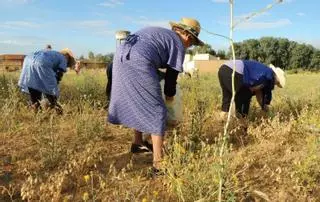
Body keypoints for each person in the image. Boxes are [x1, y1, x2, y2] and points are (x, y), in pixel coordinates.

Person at [108, 17, 204, 173]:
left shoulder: (162, 34)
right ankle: (159, 165)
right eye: (192, 43)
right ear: (187, 35)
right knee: (157, 111)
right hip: (139, 60)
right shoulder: (178, 43)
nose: (190, 46)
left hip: (120, 57)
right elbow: (172, 77)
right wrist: (170, 98)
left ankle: (138, 143)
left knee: (137, 102)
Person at [218, 60, 286, 118]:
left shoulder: (263, 71)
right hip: (235, 71)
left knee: (226, 102)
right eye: (277, 83)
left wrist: (264, 107)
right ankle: (242, 125)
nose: (275, 85)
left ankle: (219, 122)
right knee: (244, 97)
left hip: (223, 69)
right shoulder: (268, 76)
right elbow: (252, 90)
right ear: (276, 78)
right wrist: (267, 110)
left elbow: (259, 94)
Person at [18, 48, 77, 114]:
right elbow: (58, 76)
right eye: (68, 61)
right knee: (51, 89)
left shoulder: (52, 54)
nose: (67, 63)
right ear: (67, 56)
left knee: (33, 84)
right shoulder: (63, 58)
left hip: (28, 60)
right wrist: (52, 94)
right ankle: (58, 111)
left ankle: (35, 109)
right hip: (42, 62)